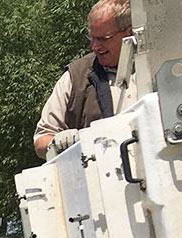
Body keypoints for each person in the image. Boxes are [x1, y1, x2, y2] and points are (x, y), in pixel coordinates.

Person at [33, 0, 134, 159]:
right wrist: (56, 142)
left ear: (129, 33)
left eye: (103, 38)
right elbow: (40, 141)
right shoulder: (76, 77)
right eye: (92, 37)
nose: (94, 46)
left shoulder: (157, 63)